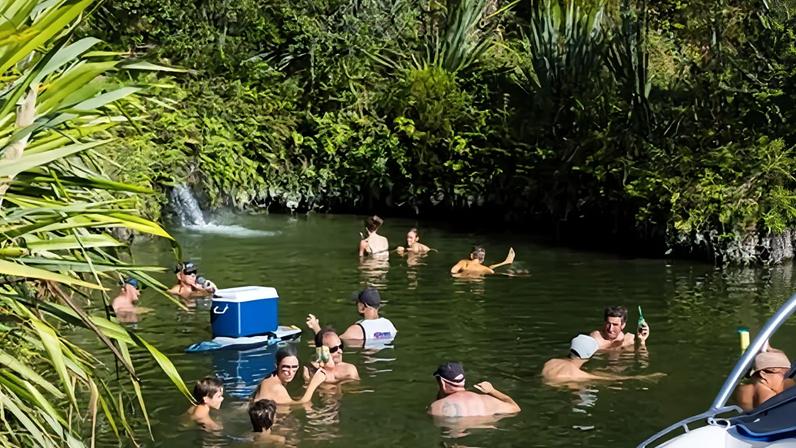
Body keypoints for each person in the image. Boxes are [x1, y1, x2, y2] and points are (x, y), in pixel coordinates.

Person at [542, 335, 664, 384]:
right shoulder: (575, 374)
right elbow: (606, 379)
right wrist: (641, 377)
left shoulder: (551, 362)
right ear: (589, 355)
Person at [306, 287, 397, 345]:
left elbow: (331, 343)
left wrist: (316, 327)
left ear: (362, 307)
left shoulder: (358, 330)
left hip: (367, 359)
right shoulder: (389, 325)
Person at [428, 361, 521, 417]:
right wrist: (492, 391)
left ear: (442, 383)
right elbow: (515, 408)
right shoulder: (488, 401)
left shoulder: (436, 408)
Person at [252, 346, 327, 405]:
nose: (290, 372)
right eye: (286, 367)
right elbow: (300, 405)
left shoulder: (270, 376)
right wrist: (313, 384)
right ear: (276, 365)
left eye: (294, 367)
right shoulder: (276, 387)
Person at [450, 246, 515, 276]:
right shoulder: (486, 269)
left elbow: (453, 271)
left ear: (471, 255)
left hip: (461, 279)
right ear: (483, 258)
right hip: (478, 281)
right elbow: (492, 272)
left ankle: (506, 262)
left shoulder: (463, 262)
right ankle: (506, 262)